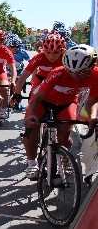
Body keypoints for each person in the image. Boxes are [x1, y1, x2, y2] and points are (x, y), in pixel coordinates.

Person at [22, 44, 98, 179]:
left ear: (92, 66)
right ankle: (31, 162)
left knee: (64, 134)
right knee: (31, 126)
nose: (75, 76)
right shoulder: (57, 72)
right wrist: (31, 115)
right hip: (43, 102)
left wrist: (92, 116)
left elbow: (91, 102)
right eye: (71, 71)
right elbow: (36, 98)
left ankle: (64, 155)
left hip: (67, 103)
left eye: (81, 72)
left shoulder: (96, 76)